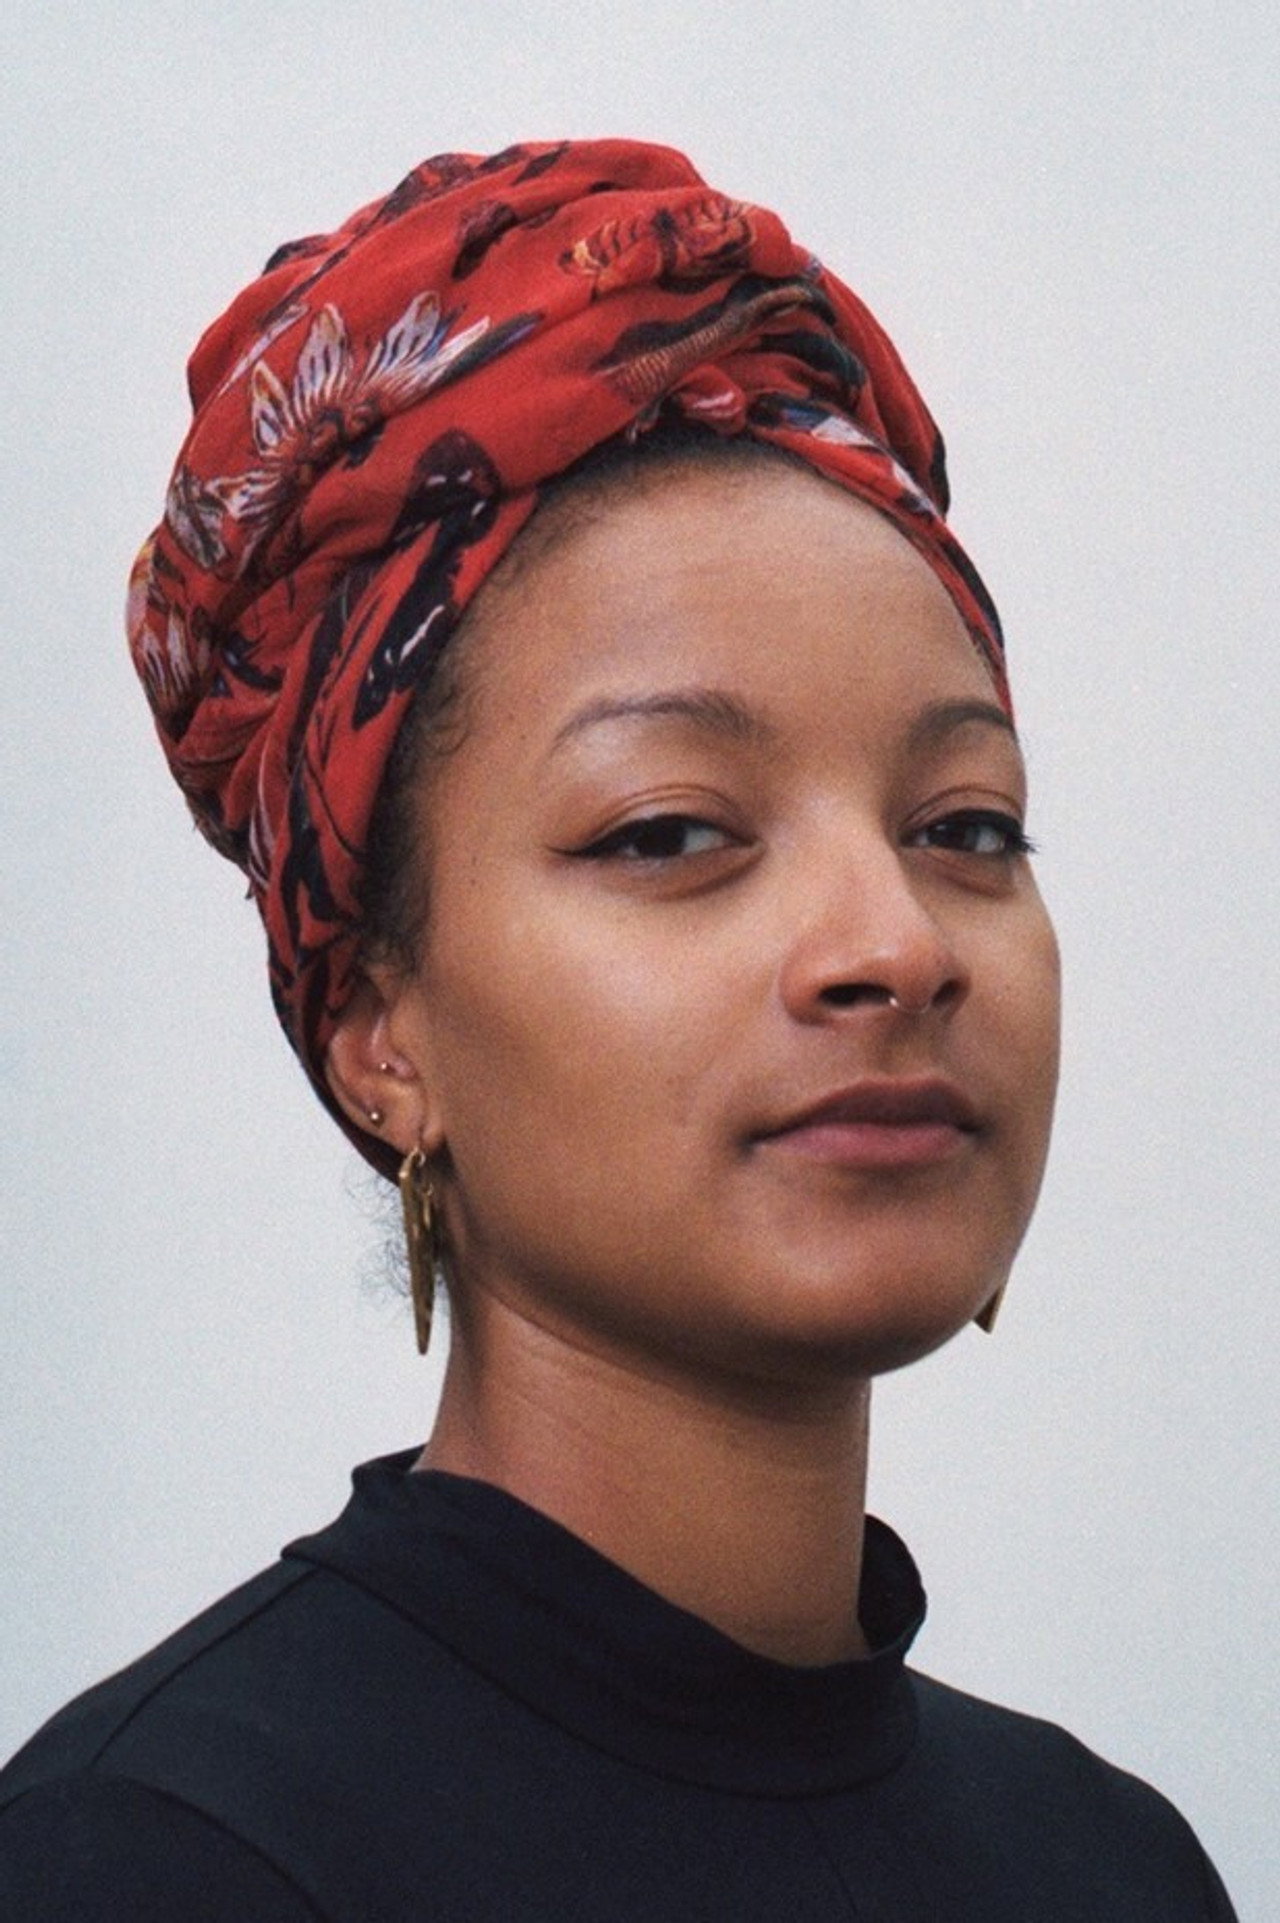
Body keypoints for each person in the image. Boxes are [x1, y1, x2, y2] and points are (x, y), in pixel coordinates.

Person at [0, 140, 1237, 1920]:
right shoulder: (165, 1855)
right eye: (668, 833)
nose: (893, 945)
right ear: (379, 1030)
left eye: (967, 827)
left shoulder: (1110, 1864)